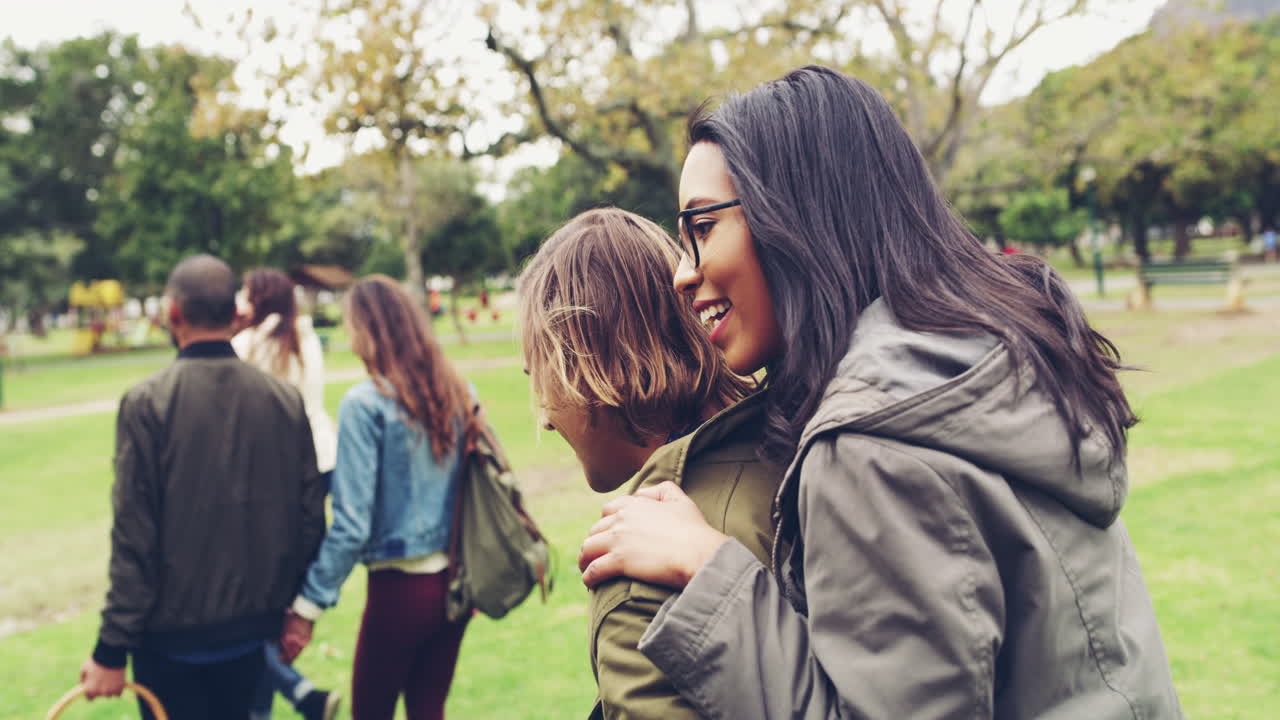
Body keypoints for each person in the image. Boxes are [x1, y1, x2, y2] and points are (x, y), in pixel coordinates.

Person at [578, 66, 1184, 719]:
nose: (681, 272)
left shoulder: (872, 441)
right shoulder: (985, 353)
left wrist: (709, 572)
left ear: (797, 215)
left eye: (702, 228)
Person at [517, 207, 771, 719]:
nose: (544, 415)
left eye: (540, 372)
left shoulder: (638, 563)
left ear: (587, 366)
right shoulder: (801, 448)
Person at [79, 255, 327, 720]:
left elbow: (135, 537)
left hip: (173, 641)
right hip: (253, 632)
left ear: (172, 314)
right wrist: (290, 606)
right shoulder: (282, 400)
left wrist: (111, 649)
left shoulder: (147, 403)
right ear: (235, 315)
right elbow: (310, 518)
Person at [280, 275, 473, 720]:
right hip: (459, 585)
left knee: (371, 711)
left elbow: (350, 526)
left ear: (366, 329)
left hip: (400, 588)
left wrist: (306, 607)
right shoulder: (457, 392)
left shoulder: (365, 404)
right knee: (428, 710)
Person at [232, 268, 341, 720]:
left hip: (273, 479)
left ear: (258, 298)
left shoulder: (248, 345)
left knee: (252, 608)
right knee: (273, 608)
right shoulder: (304, 336)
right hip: (321, 461)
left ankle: (294, 695)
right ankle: (294, 695)